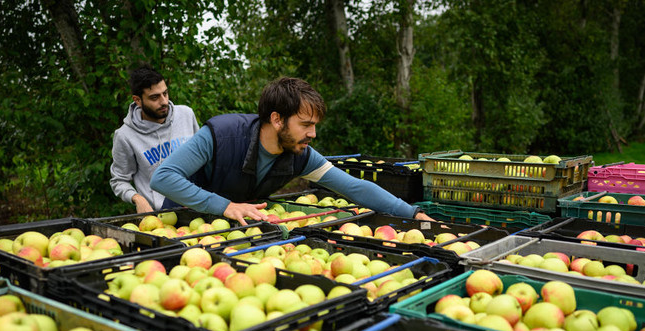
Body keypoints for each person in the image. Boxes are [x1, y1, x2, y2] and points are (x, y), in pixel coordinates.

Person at [150, 77, 433, 224]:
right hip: (182, 224)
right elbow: (163, 178)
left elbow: (355, 188)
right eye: (306, 125)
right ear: (277, 119)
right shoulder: (221, 135)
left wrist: (412, 213)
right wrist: (225, 206)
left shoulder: (300, 154)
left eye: (315, 125)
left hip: (228, 231)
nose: (313, 134)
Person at [110, 66, 200, 213]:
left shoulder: (186, 115)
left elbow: (203, 158)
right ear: (138, 100)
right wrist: (138, 198)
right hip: (163, 215)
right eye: (154, 97)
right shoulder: (125, 136)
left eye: (165, 93)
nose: (164, 101)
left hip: (198, 203)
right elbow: (119, 180)